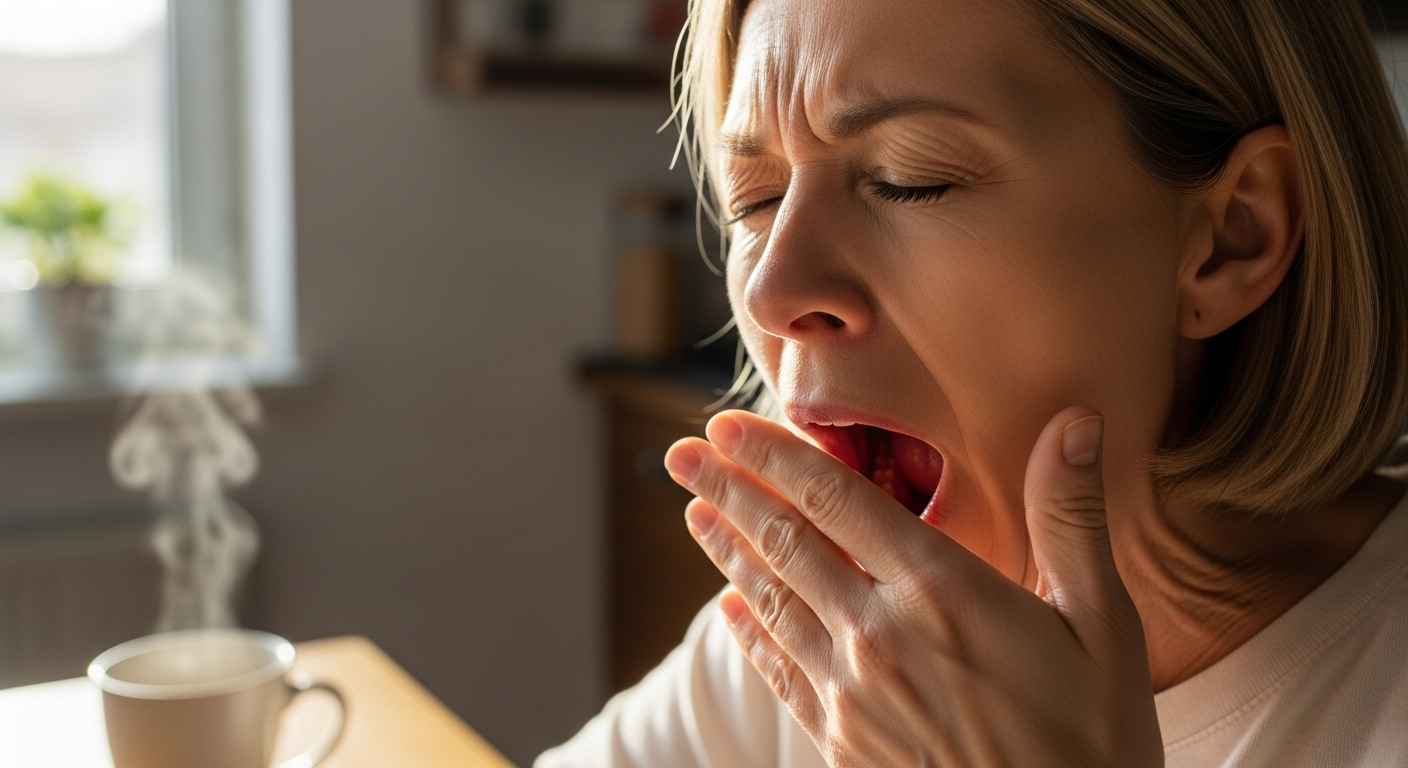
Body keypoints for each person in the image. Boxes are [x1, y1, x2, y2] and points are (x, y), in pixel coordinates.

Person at [539, 0, 1408, 765]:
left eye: (910, 179)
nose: (770, 292)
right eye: (754, 200)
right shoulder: (828, 646)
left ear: (1231, 239)